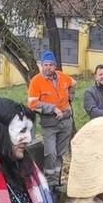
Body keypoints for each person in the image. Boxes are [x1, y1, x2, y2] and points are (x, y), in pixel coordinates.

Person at [27, 50, 75, 185]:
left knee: (60, 153)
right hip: (50, 123)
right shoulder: (36, 81)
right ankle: (49, 183)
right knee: (50, 153)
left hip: (66, 121)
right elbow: (32, 104)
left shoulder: (62, 77)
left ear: (55, 66)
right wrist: (52, 108)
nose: (48, 68)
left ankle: (57, 181)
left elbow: (73, 83)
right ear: (41, 65)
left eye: (51, 65)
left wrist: (70, 97)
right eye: (45, 65)